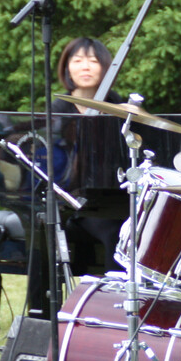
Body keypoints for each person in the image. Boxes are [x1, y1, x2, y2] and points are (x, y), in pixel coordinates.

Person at [49, 37, 125, 273]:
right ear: (67, 68)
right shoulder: (59, 109)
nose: (85, 66)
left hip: (113, 198)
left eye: (93, 61)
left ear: (104, 67)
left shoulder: (118, 105)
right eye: (78, 60)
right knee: (115, 230)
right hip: (72, 202)